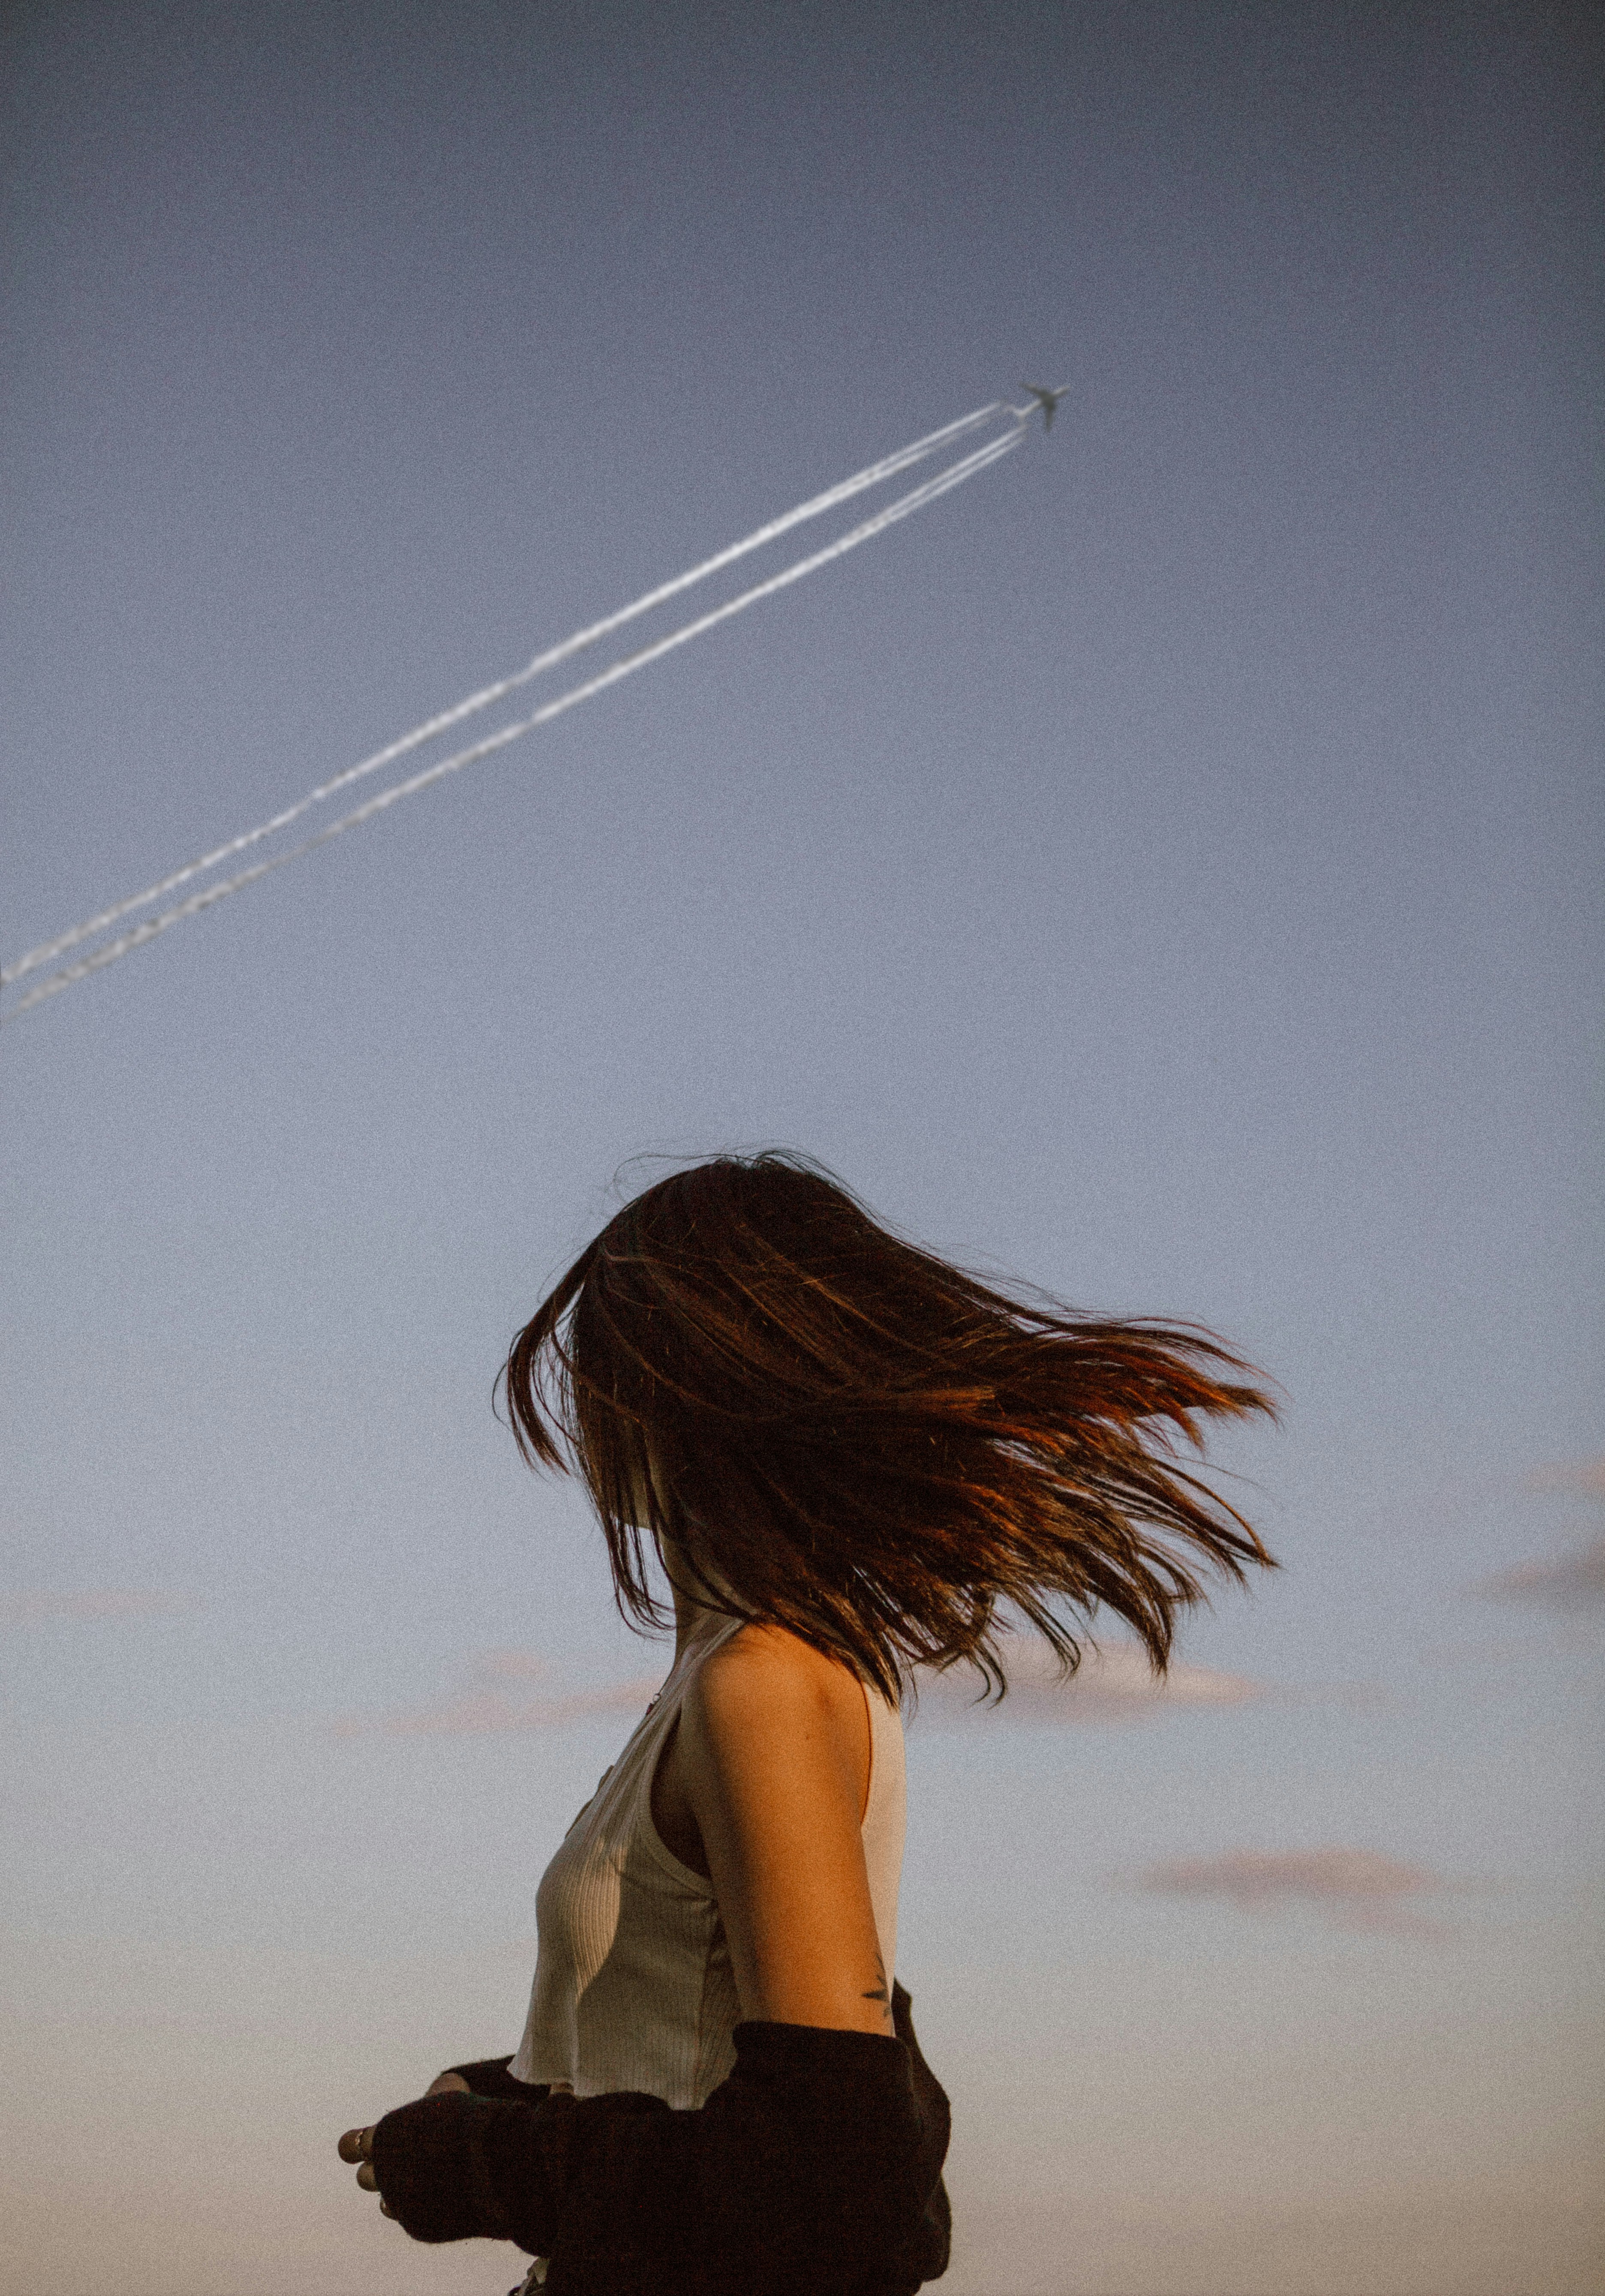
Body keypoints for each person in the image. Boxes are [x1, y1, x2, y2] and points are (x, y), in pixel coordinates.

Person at [337, 1152, 1275, 2296]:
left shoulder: (764, 1682)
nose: (584, 1409)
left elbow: (837, 2178)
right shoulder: (712, 1681)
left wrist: (482, 2165)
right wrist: (501, 2098)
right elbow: (715, 2054)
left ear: (696, 1382)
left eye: (605, 1365)